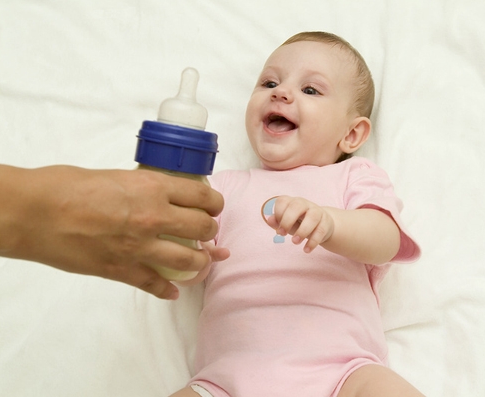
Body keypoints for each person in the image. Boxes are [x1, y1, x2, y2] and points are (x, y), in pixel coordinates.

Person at [170, 31, 423, 397]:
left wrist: (331, 223)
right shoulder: (222, 186)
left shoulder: (352, 176)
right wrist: (189, 251)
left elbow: (385, 240)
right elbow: (188, 269)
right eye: (269, 82)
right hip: (225, 381)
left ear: (352, 135)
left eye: (311, 90)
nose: (281, 92)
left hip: (344, 373)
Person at [0, 163, 225, 300]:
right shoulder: (222, 185)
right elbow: (185, 245)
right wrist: (198, 258)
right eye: (263, 84)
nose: (265, 93)